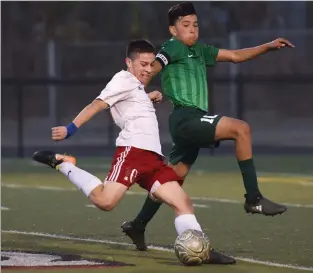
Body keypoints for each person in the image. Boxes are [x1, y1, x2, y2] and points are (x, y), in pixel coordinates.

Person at [32, 39, 236, 265]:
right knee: (105, 201)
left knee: (183, 202)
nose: (148, 70)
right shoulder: (122, 79)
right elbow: (97, 104)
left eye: (151, 65)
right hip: (133, 154)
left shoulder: (136, 86)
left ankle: (202, 250)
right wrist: (70, 129)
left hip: (153, 160)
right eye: (143, 64)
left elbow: (129, 106)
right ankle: (64, 163)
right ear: (129, 62)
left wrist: (149, 97)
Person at [122, 2, 295, 251]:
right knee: (241, 129)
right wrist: (141, 86)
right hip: (185, 119)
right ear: (173, 30)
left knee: (172, 178)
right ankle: (253, 198)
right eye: (185, 25)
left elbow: (235, 56)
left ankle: (138, 225)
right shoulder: (173, 46)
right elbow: (154, 65)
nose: (192, 30)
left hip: (190, 122)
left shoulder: (200, 50)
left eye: (195, 25)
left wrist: (267, 47)